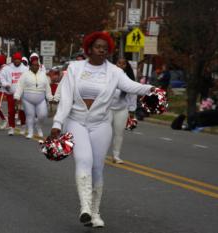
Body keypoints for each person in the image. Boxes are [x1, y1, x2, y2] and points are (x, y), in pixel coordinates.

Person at [49, 31, 154, 227]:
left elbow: (131, 86)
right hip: (76, 121)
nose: (101, 51)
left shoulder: (114, 71)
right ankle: (85, 208)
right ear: (89, 48)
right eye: (98, 47)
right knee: (84, 159)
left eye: (105, 49)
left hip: (100, 124)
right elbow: (65, 99)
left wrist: (152, 89)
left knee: (97, 168)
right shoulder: (75, 68)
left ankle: (95, 213)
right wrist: (57, 123)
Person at [14, 54, 53, 138]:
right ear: (30, 66)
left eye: (37, 65)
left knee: (43, 115)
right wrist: (17, 97)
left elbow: (47, 87)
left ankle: (38, 126)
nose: (36, 67)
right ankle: (30, 132)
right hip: (27, 99)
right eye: (34, 65)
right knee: (30, 115)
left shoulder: (43, 75)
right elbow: (20, 86)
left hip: (41, 99)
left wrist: (50, 98)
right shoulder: (25, 74)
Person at [110, 58, 137, 164]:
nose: (121, 65)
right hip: (107, 109)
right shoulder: (109, 76)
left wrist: (132, 110)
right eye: (119, 63)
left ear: (126, 66)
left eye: (123, 63)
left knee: (119, 133)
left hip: (121, 110)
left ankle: (116, 156)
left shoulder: (128, 79)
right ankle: (99, 153)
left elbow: (133, 94)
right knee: (105, 133)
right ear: (115, 64)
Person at [0, 52, 28, 135]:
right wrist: (6, 85)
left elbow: (28, 80)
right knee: (11, 111)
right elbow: (2, 77)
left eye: (18, 60)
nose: (16, 61)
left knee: (22, 111)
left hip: (22, 94)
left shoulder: (25, 69)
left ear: (20, 60)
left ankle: (23, 126)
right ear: (13, 60)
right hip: (11, 93)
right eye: (15, 60)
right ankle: (12, 127)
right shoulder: (7, 68)